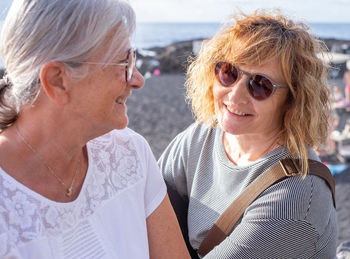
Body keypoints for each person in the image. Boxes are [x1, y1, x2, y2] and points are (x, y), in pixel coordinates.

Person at [0, 0, 190, 258]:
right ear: (58, 81)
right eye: (124, 63)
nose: (138, 79)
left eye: (133, 58)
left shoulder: (129, 153)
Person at [158, 10, 337, 258]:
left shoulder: (297, 197)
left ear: (292, 100)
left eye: (260, 85)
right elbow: (145, 214)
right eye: (228, 72)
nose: (234, 96)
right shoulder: (200, 137)